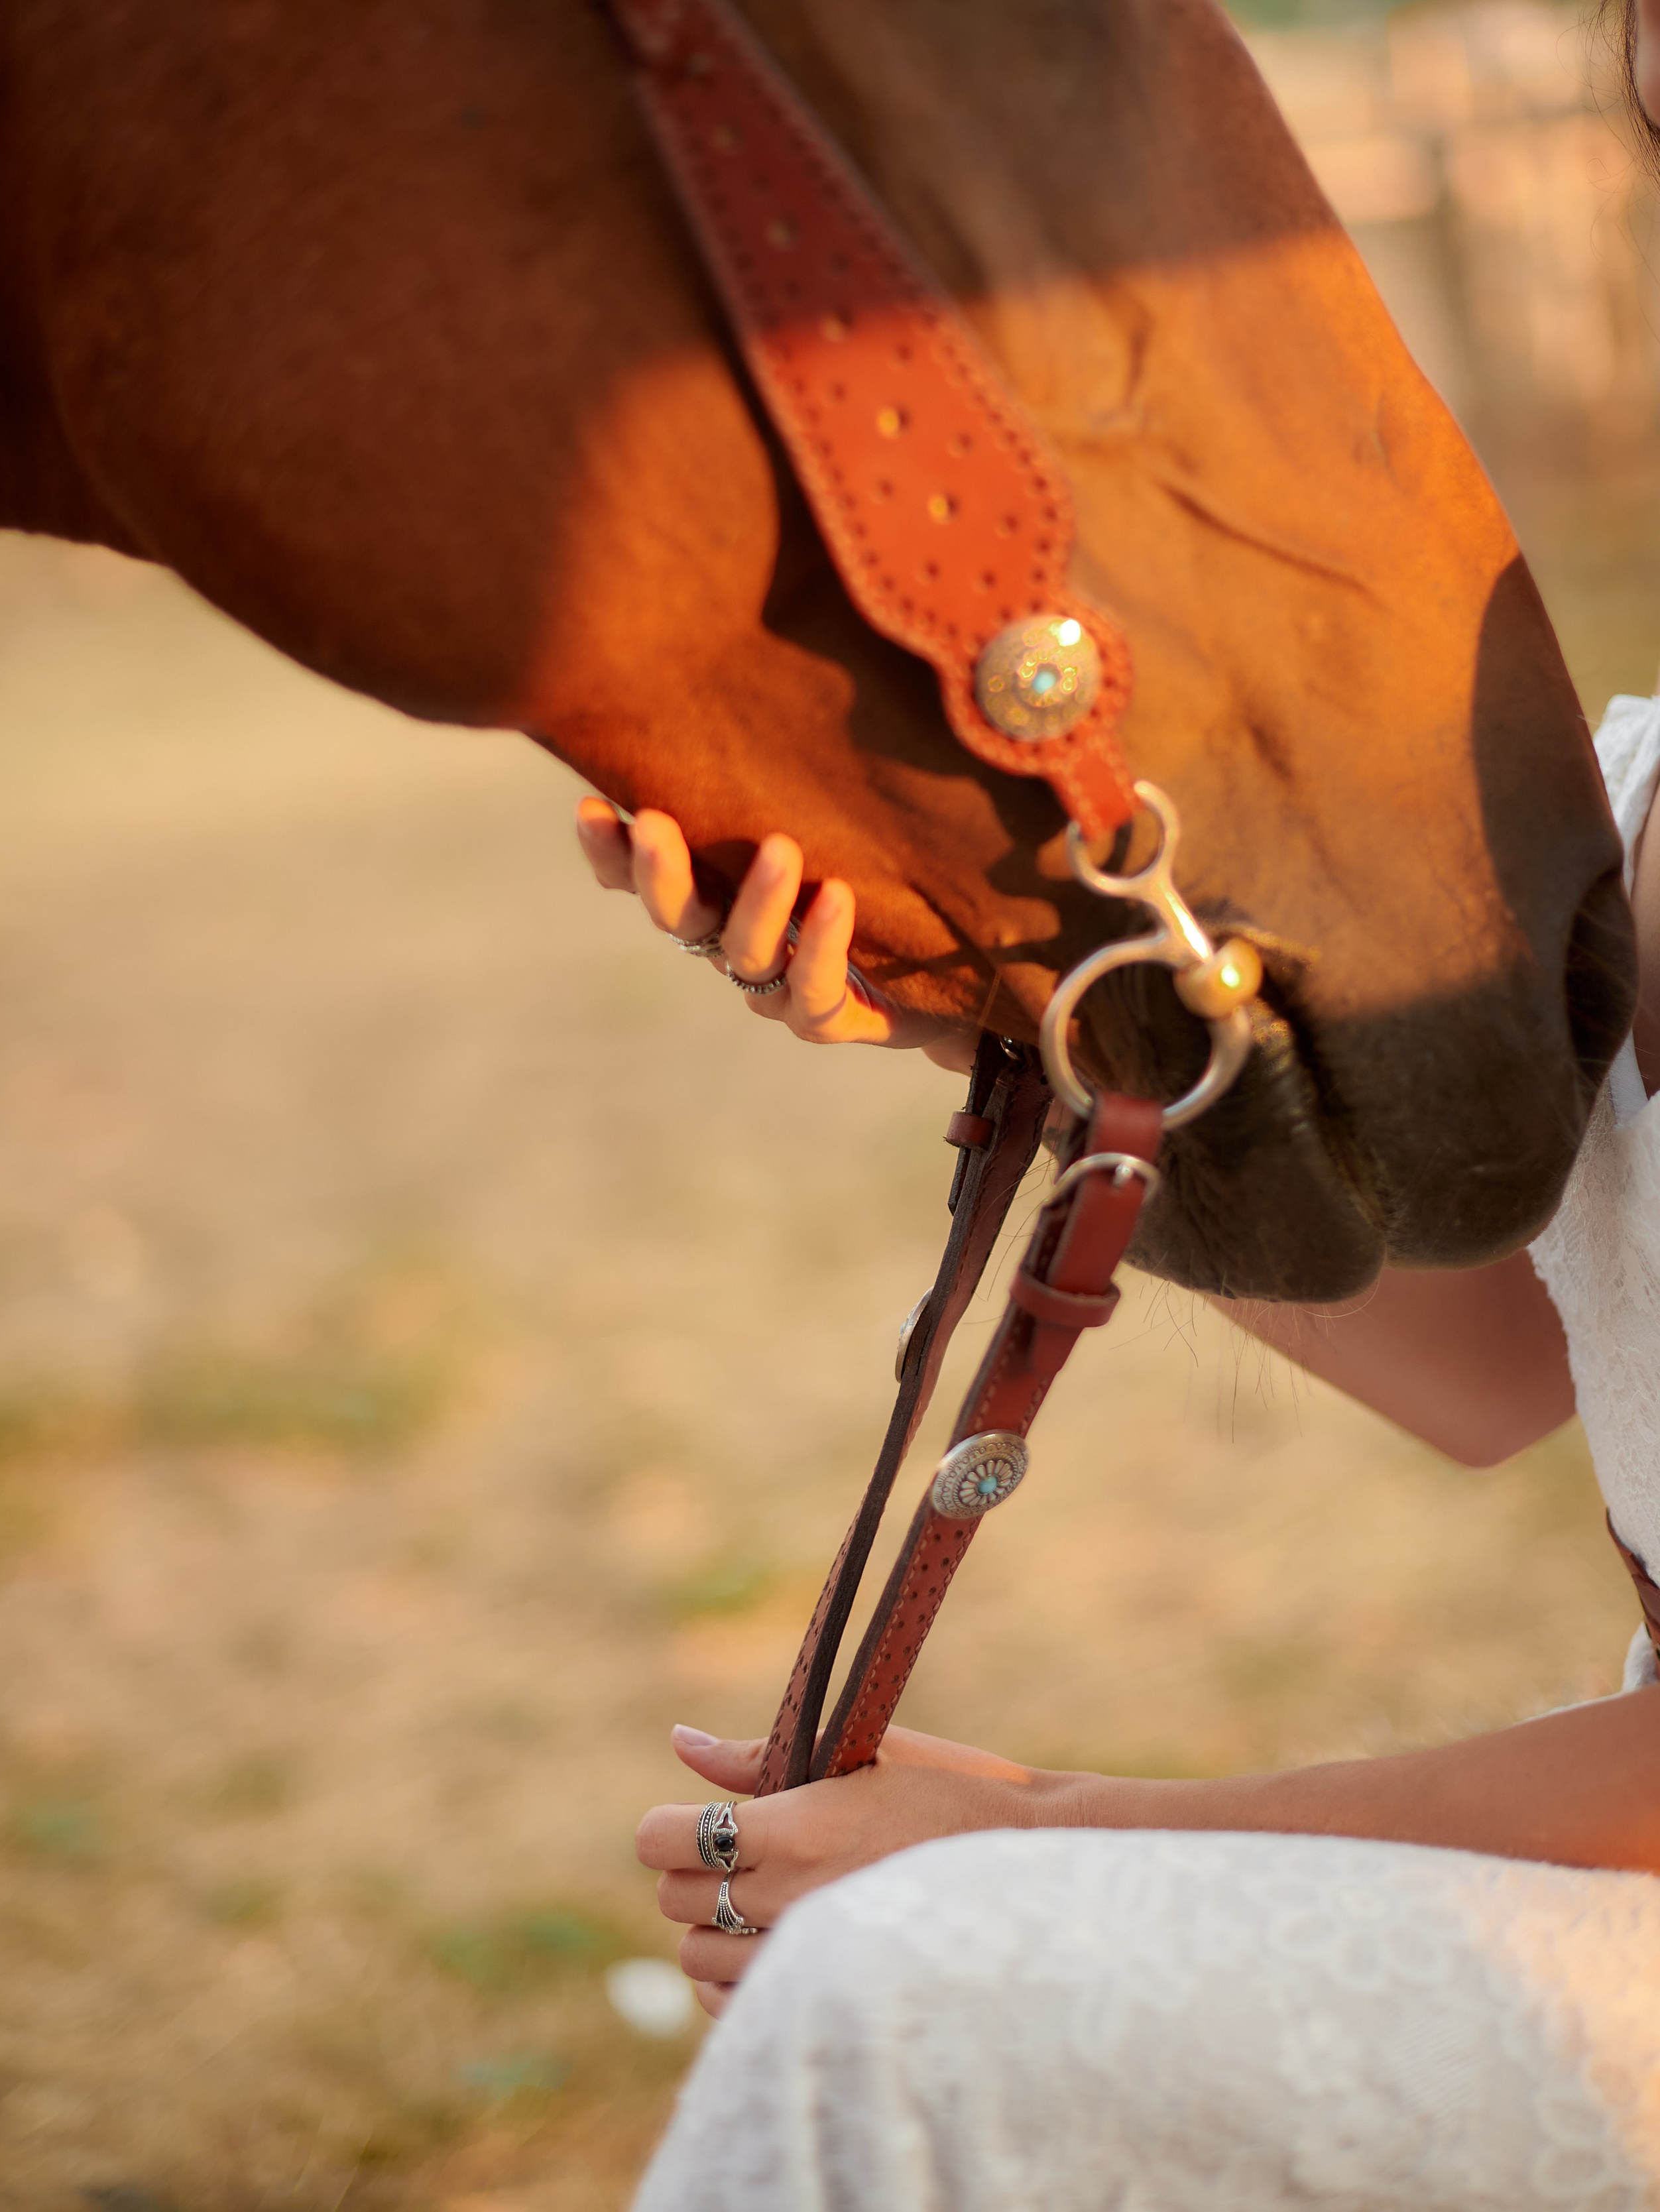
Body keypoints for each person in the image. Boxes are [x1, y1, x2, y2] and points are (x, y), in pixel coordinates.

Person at [568, 27, 1660, 2205]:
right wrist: (962, 994)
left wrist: (1055, 1829)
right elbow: (1508, 1368)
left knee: (917, 2002)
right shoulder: (1635, 786)